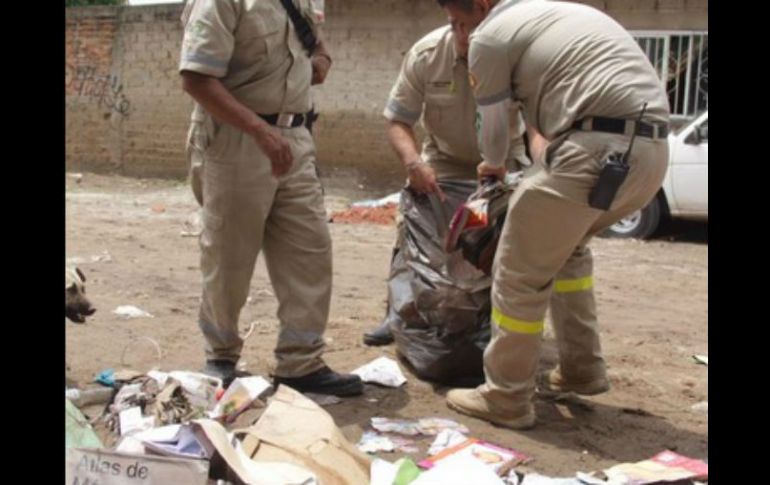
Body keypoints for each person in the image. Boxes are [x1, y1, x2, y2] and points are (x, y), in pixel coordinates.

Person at [436, 0, 670, 428]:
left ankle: (505, 396)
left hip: (593, 150)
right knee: (569, 251)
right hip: (650, 156)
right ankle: (583, 369)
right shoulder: (556, 15)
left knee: (518, 271)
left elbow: (493, 127)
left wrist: (491, 168)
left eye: (460, 23)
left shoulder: (492, 36)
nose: (461, 37)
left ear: (484, 7)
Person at [179, 0, 362, 396]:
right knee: (230, 255)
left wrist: (323, 55)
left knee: (310, 250)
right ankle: (221, 356)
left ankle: (300, 363)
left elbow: (312, 40)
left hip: (295, 135)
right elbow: (196, 78)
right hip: (237, 138)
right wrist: (260, 132)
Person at [363, 23, 530, 346]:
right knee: (413, 228)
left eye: (472, 27)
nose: (464, 35)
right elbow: (398, 120)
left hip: (506, 159)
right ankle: (401, 312)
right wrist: (414, 164)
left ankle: (493, 322)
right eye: (457, 25)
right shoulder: (427, 55)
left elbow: (538, 120)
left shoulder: (520, 52)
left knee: (499, 242)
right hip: (445, 159)